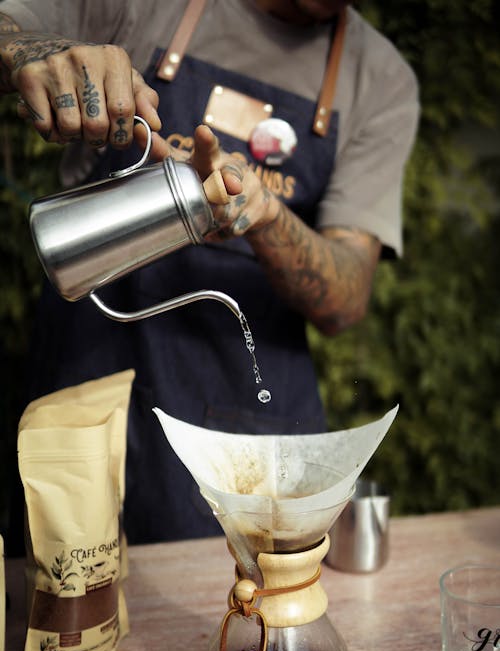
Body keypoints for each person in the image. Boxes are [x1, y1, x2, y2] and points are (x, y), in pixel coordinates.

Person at [0, 1, 419, 551]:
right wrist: (32, 52)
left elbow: (345, 299)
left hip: (239, 441)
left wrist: (266, 216)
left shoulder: (379, 78)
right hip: (87, 392)